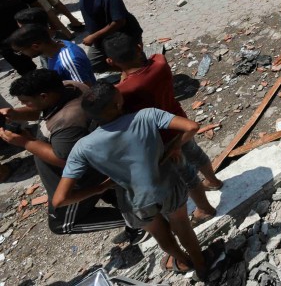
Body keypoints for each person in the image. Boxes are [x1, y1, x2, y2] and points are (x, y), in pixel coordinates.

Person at [54, 83, 207, 277]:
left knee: (160, 234)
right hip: (167, 186)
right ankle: (201, 265)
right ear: (117, 105)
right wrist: (175, 147)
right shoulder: (145, 115)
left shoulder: (82, 147)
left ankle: (182, 261)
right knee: (182, 226)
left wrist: (99, 188)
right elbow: (192, 126)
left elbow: (60, 199)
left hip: (133, 201)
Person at [104, 33, 222, 223]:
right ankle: (214, 181)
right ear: (139, 47)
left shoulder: (124, 90)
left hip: (162, 138)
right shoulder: (160, 62)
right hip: (180, 122)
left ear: (110, 61)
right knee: (195, 154)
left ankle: (205, 209)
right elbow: (148, 63)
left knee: (186, 174)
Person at [1, 70, 133, 238]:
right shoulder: (68, 87)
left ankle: (139, 220)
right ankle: (132, 209)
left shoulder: (68, 121)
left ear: (43, 96)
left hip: (77, 183)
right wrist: (15, 114)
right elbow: (40, 111)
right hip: (99, 167)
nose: (25, 105)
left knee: (62, 224)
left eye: (26, 102)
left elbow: (66, 160)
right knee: (110, 194)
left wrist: (25, 143)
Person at [62, 0, 143, 71]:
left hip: (122, 38)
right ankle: (124, 70)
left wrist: (93, 36)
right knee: (93, 64)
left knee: (135, 63)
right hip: (102, 40)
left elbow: (119, 22)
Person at [7, 24, 95, 85]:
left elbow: (85, 91)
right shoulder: (59, 45)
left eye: (20, 51)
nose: (21, 54)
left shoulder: (68, 62)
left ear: (36, 46)